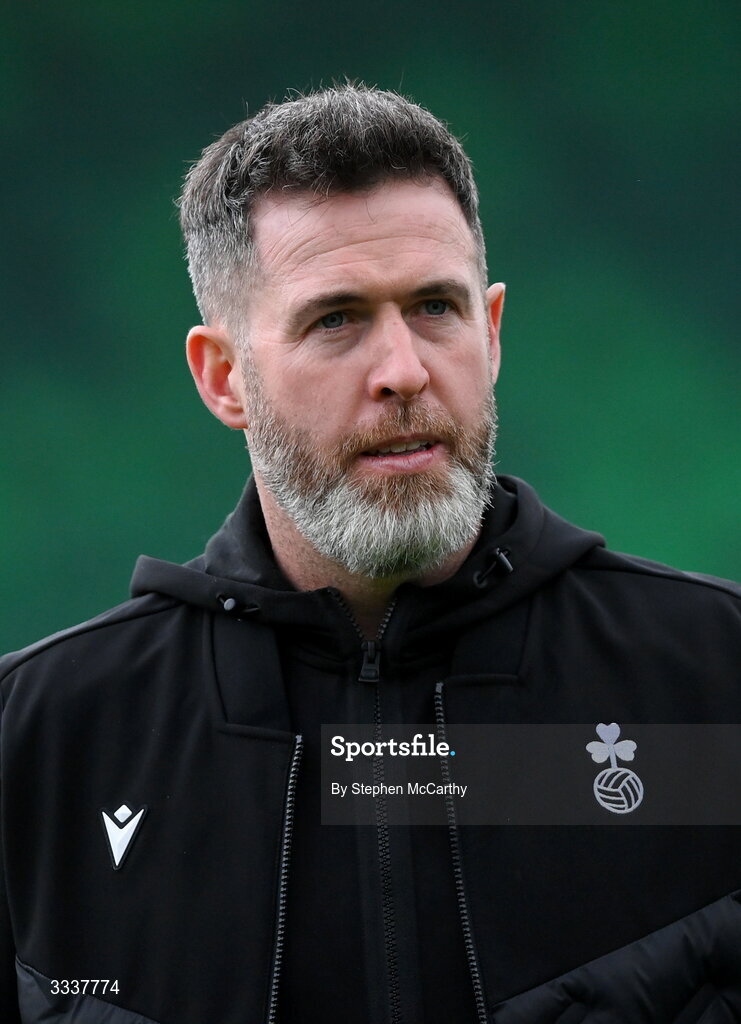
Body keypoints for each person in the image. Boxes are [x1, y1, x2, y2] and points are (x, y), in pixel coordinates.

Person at [1, 85, 739, 1024]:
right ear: (224, 378)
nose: (403, 370)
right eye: (335, 320)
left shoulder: (716, 678)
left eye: (436, 306)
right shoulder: (35, 742)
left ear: (493, 331)